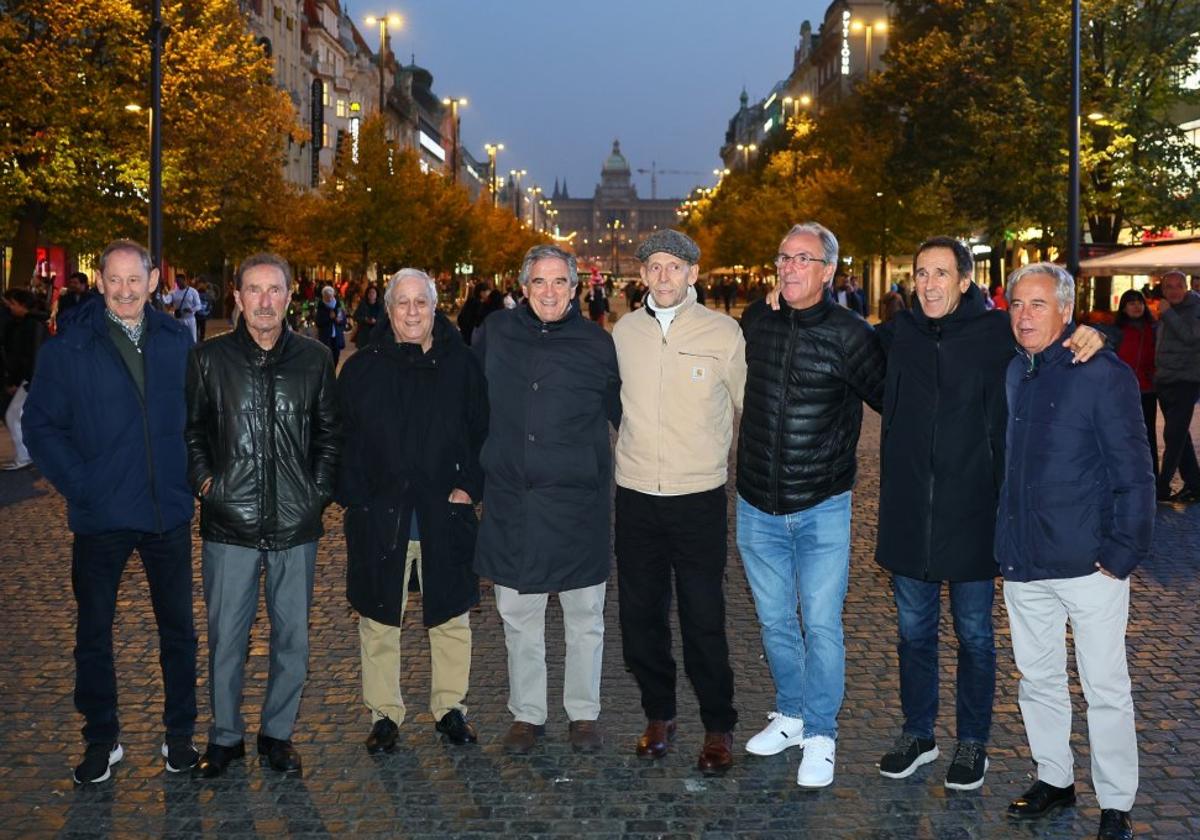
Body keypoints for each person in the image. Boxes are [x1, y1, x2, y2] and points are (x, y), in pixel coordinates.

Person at [871, 238, 1103, 792]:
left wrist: (1101, 333)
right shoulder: (898, 332)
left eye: (941, 274)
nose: (928, 284)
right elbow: (838, 344)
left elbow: (1055, 337)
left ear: (966, 281)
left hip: (973, 510)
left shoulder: (998, 329)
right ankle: (918, 733)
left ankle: (972, 742)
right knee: (912, 634)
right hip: (908, 511)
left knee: (975, 635)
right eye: (921, 273)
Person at [22, 239, 199, 784]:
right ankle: (102, 737)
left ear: (152, 283)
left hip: (165, 511)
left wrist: (190, 479)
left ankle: (179, 737)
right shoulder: (67, 348)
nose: (124, 290)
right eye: (113, 279)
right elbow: (40, 426)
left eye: (134, 279)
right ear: (99, 282)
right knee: (93, 634)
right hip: (101, 515)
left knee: (179, 632)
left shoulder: (177, 342)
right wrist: (82, 486)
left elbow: (198, 421)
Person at [998, 263, 1153, 840]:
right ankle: (1055, 779)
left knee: (1105, 689)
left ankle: (1116, 803)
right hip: (1024, 558)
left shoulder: (1100, 373)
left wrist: (1121, 555)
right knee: (1036, 680)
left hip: (1091, 563)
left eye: (1038, 305)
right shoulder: (1017, 370)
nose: (1024, 315)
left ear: (1067, 311)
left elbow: (1136, 469)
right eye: (1016, 304)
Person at [737, 222, 885, 788]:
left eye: (804, 259)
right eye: (784, 258)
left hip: (821, 503)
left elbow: (894, 395)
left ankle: (821, 732)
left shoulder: (851, 336)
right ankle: (792, 715)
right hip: (756, 502)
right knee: (775, 622)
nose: (790, 267)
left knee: (821, 624)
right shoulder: (758, 319)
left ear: (828, 271)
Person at [186, 252, 340, 779]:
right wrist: (209, 486)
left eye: (275, 290)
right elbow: (193, 432)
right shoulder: (209, 359)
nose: (265, 300)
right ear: (238, 297)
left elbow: (328, 435)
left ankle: (278, 734)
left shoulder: (315, 359)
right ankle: (225, 737)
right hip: (229, 522)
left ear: (291, 295)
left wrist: (316, 492)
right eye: (254, 290)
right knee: (227, 637)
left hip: (296, 523)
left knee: (292, 636)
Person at [472, 244, 621, 756]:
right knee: (519, 615)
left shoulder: (599, 345)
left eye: (560, 282)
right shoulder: (493, 335)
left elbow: (628, 415)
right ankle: (527, 714)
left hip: (578, 501)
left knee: (585, 617)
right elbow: (466, 406)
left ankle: (583, 713)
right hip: (514, 500)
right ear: (523, 287)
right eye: (540, 282)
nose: (550, 291)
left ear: (576, 289)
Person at [336, 268, 487, 754]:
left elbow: (482, 431)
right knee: (380, 617)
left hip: (444, 511)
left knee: (450, 616)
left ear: (435, 306)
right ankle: (384, 714)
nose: (412, 312)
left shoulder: (462, 364)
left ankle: (450, 708)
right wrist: (357, 498)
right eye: (402, 303)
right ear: (388, 310)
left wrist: (469, 486)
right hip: (382, 513)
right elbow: (343, 441)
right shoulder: (362, 368)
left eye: (420, 303)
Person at [613, 230, 745, 774]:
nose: (664, 276)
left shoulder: (724, 332)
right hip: (637, 494)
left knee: (703, 616)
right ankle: (658, 713)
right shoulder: (622, 333)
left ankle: (718, 725)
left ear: (694, 273)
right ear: (642, 275)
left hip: (698, 496)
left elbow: (746, 408)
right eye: (655, 267)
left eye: (675, 266)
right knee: (640, 616)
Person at [1152, 269, 1200, 502]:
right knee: (1180, 437)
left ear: (1186, 287)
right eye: (1168, 287)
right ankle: (1195, 486)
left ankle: (1161, 487)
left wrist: (1169, 314)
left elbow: (1191, 336)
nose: (1173, 291)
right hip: (1165, 380)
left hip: (1187, 380)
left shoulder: (1195, 308)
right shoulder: (1165, 312)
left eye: (1177, 286)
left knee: (1173, 434)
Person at [1114, 289, 1159, 481]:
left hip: (1147, 389)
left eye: (1139, 302)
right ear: (1123, 308)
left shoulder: (1154, 329)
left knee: (1148, 434)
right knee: (1123, 433)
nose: (1136, 306)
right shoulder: (1117, 332)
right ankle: (1125, 475)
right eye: (1131, 302)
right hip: (1122, 390)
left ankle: (1151, 477)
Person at [2, 289, 49, 470]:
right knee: (17, 416)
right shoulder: (25, 323)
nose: (9, 307)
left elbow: (33, 356)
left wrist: (27, 380)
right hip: (32, 378)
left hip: (33, 378)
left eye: (12, 304)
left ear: (22, 304)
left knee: (14, 416)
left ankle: (25, 456)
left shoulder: (31, 325)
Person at [161, 273, 202, 343]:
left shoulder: (193, 291)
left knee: (192, 339)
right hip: (179, 319)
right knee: (180, 339)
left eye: (180, 281)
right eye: (177, 282)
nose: (178, 283)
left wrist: (191, 309)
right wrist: (161, 293)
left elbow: (199, 305)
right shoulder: (174, 292)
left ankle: (193, 351)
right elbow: (166, 300)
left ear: (184, 280)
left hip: (190, 319)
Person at [314, 284, 348, 368]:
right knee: (326, 357)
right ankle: (328, 375)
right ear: (323, 297)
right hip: (326, 336)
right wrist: (329, 318)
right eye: (326, 296)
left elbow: (344, 321)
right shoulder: (321, 307)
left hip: (336, 336)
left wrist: (338, 320)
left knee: (336, 357)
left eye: (330, 296)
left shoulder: (338, 306)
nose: (329, 298)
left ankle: (333, 372)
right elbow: (318, 322)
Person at [351, 284, 383, 350]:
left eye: (373, 292)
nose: (371, 294)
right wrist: (365, 319)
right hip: (364, 335)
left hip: (376, 335)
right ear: (367, 294)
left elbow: (384, 319)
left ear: (377, 294)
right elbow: (355, 316)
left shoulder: (380, 306)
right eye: (370, 292)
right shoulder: (363, 304)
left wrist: (376, 321)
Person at [456, 281, 489, 346]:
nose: (488, 294)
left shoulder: (470, 302)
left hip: (466, 335)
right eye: (487, 292)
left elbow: (460, 318)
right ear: (482, 293)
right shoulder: (478, 305)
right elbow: (479, 320)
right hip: (472, 337)